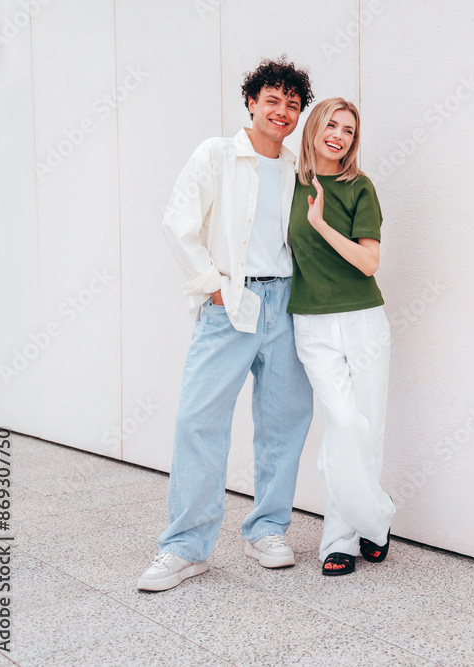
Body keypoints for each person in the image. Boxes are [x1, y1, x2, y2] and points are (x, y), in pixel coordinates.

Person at [137, 57, 315, 591]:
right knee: (200, 420)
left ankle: (269, 530)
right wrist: (212, 285)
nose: (282, 112)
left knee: (284, 421)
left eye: (292, 104)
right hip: (231, 302)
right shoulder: (216, 154)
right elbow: (178, 222)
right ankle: (185, 548)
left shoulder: (299, 170)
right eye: (272, 100)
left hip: (287, 302)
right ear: (251, 102)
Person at [288, 97, 395, 576]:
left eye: (348, 130)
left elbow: (369, 262)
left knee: (367, 430)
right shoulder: (288, 184)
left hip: (363, 320)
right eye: (331, 125)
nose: (338, 135)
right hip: (311, 323)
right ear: (313, 128)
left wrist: (321, 225)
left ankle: (339, 539)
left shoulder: (359, 187)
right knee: (344, 425)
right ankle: (376, 518)